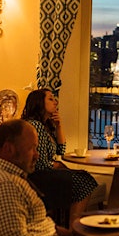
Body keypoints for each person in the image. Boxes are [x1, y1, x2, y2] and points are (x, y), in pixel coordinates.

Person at [21, 88, 97, 224]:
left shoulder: (45, 125)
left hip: (46, 172)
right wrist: (58, 165)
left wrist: (59, 126)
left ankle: (73, 225)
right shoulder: (36, 126)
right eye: (50, 99)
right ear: (39, 103)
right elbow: (40, 163)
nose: (55, 102)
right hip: (37, 177)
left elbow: (61, 151)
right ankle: (74, 227)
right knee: (84, 181)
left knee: (85, 178)